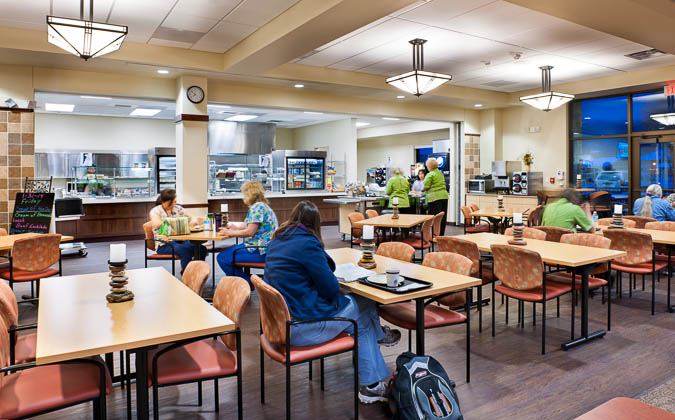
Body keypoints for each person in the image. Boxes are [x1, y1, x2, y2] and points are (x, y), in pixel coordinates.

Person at [264, 200, 401, 404]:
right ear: (316, 224)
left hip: (279, 324)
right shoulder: (308, 244)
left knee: (361, 320)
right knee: (364, 303)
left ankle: (373, 379)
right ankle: (374, 369)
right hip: (302, 327)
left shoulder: (277, 240)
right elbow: (329, 289)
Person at [217, 181, 278, 282]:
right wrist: (234, 226)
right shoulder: (263, 206)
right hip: (269, 249)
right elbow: (249, 224)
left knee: (223, 257)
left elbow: (250, 232)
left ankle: (246, 282)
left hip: (259, 250)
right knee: (231, 252)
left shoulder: (256, 208)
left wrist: (230, 233)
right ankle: (244, 281)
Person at [149, 188, 207, 274]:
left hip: (181, 241)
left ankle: (196, 272)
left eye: (174, 201)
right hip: (164, 244)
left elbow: (192, 218)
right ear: (164, 201)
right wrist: (177, 222)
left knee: (202, 249)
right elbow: (157, 224)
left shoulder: (178, 209)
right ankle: (186, 274)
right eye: (171, 202)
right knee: (185, 250)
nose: (174, 203)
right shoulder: (156, 211)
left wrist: (193, 221)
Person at [423, 157, 449, 235]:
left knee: (434, 218)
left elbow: (426, 187)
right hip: (444, 196)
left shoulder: (430, 174)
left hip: (434, 198)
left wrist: (421, 190)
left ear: (429, 166)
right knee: (442, 218)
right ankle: (441, 235)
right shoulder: (440, 173)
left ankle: (435, 235)